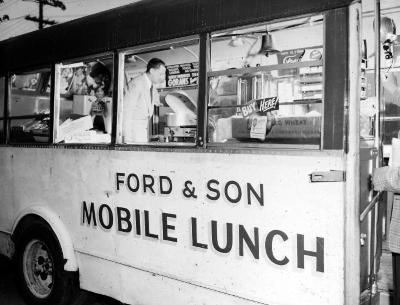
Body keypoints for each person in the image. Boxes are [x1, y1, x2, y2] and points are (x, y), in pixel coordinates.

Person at [123, 58, 166, 143]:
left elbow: (157, 99)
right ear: (152, 71)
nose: (162, 78)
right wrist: (127, 137)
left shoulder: (151, 86)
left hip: (142, 128)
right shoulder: (136, 83)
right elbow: (126, 110)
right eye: (161, 74)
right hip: (132, 130)